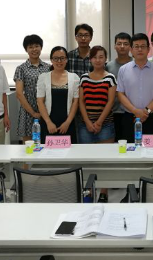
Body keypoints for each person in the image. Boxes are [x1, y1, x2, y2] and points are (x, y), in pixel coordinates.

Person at [78, 45, 116, 203]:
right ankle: (89, 191)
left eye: (101, 57)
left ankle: (104, 192)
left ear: (105, 59)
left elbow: (110, 102)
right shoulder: (84, 78)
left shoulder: (110, 78)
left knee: (105, 160)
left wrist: (99, 122)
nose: (98, 60)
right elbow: (81, 102)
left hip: (105, 125)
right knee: (88, 160)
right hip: (85, 125)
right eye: (95, 57)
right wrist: (88, 122)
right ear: (90, 59)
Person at [116, 33, 153, 143]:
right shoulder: (123, 70)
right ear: (131, 49)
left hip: (152, 117)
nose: (140, 49)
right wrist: (135, 111)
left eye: (143, 46)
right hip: (130, 117)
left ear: (148, 49)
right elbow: (120, 94)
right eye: (136, 46)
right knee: (130, 149)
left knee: (152, 149)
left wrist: (146, 111)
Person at [37, 46, 80, 144]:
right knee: (48, 151)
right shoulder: (43, 77)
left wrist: (67, 122)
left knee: (69, 151)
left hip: (67, 123)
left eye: (62, 58)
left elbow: (75, 102)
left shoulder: (74, 78)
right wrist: (48, 122)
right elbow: (40, 101)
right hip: (48, 123)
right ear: (51, 60)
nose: (59, 61)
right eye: (56, 58)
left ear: (66, 60)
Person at [13, 34, 51, 143]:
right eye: (30, 47)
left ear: (41, 47)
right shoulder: (21, 69)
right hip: (28, 111)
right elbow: (19, 94)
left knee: (47, 144)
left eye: (37, 46)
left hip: (47, 111)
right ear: (26, 49)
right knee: (29, 146)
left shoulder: (48, 67)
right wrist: (33, 113)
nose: (34, 49)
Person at [105, 32, 133, 141]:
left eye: (125, 44)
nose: (122, 46)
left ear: (130, 47)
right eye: (119, 43)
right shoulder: (109, 66)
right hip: (114, 111)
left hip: (132, 111)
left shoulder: (136, 63)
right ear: (114, 46)